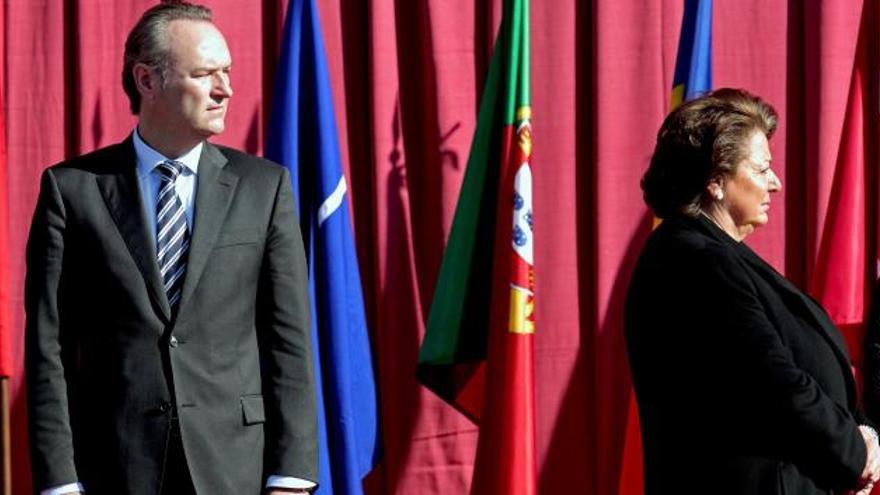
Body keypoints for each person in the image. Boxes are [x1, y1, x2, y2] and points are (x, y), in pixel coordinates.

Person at [25, 2, 317, 494]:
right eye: (205, 74)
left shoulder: (263, 187)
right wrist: (59, 481)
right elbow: (47, 347)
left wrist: (291, 475)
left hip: (233, 466)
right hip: (114, 465)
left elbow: (288, 341)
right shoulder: (72, 190)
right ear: (147, 80)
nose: (225, 89)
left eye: (226, 71)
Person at [625, 88, 880, 494]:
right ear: (716, 181)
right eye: (762, 170)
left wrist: (863, 433)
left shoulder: (719, 256)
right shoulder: (693, 261)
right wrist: (854, 451)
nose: (775, 184)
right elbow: (773, 382)